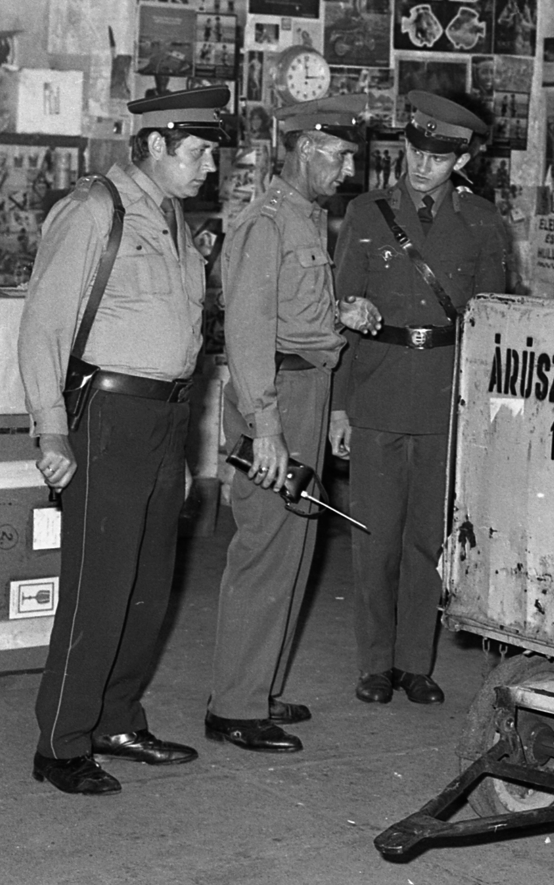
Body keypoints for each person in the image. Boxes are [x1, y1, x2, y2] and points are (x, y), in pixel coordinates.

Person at [18, 85, 230, 796]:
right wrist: (50, 427)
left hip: (166, 417)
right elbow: (43, 326)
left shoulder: (173, 218)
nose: (209, 166)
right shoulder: (93, 212)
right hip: (105, 417)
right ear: (159, 144)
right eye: (199, 151)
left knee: (148, 585)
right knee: (98, 587)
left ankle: (116, 718)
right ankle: (62, 741)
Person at [207, 95, 379, 754]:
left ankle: (259, 685)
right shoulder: (265, 222)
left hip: (308, 390)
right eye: (340, 154)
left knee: (295, 550)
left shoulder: (308, 218)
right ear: (306, 149)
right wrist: (267, 427)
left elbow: (295, 312)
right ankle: (235, 706)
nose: (348, 167)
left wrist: (342, 314)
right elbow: (249, 335)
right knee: (263, 551)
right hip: (274, 397)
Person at [330, 92, 511, 705]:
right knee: (374, 537)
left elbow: (492, 326)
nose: (421, 164)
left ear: (462, 160)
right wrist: (338, 405)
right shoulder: (366, 212)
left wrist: (483, 415)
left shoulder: (483, 221)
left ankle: (415, 663)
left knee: (428, 541)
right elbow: (340, 316)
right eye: (414, 148)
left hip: (444, 398)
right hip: (378, 389)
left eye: (437, 155)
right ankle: (374, 663)